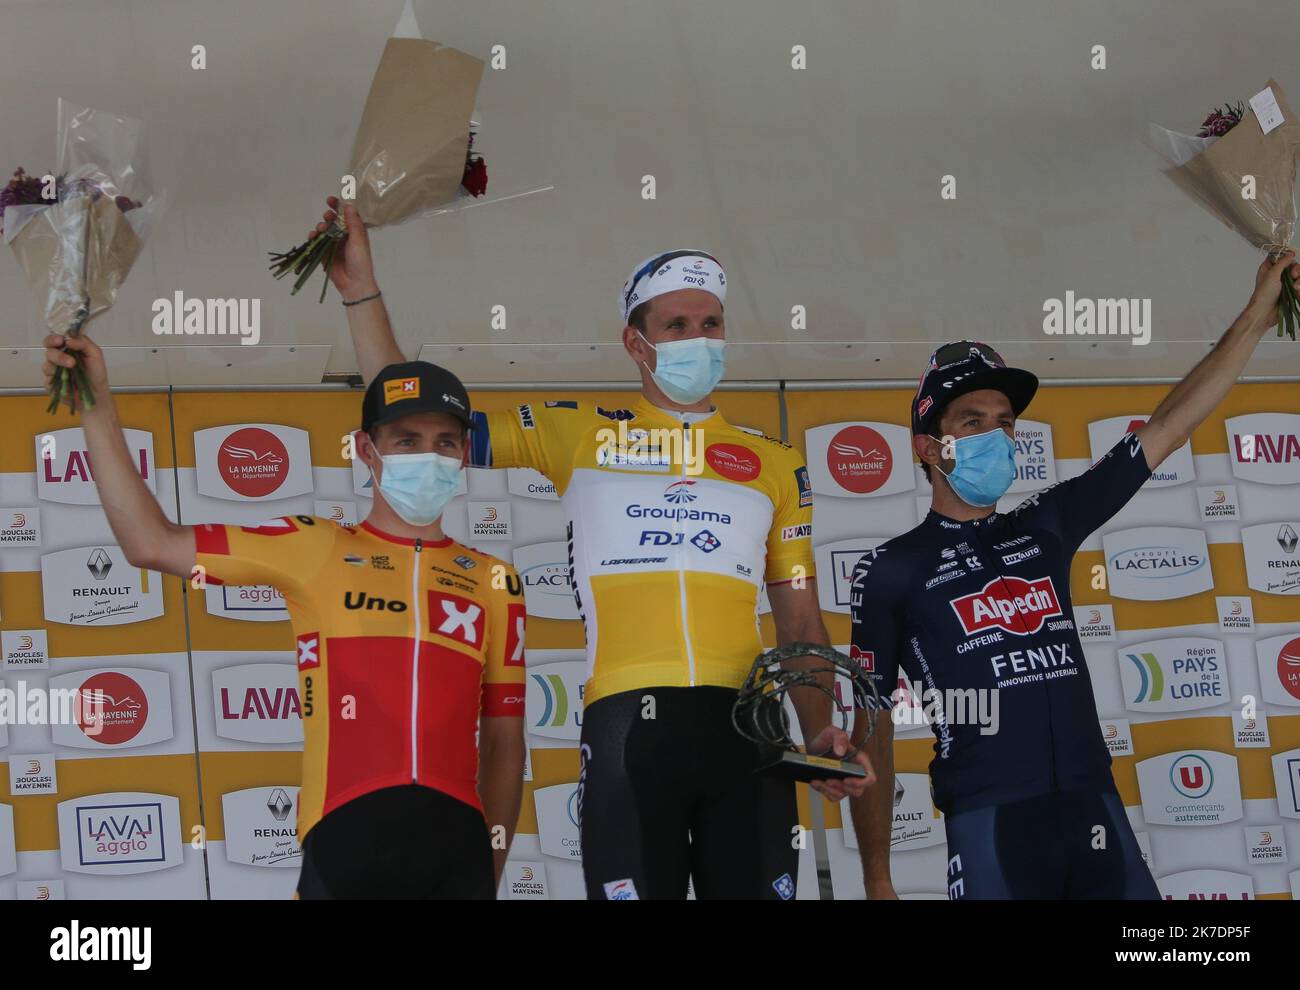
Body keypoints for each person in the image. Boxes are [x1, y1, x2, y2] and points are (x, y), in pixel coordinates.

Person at [313, 196, 873, 900]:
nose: (697, 340)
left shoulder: (773, 460)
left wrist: (820, 731)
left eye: (710, 324)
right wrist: (361, 290)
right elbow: (407, 406)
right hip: (628, 730)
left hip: (748, 730)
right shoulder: (580, 433)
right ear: (636, 343)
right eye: (676, 326)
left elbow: (799, 624)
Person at [847, 250, 1300, 900]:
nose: (994, 436)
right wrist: (878, 881)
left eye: (1004, 423)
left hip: (1094, 807)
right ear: (928, 447)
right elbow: (870, 721)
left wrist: (1258, 314)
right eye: (971, 423)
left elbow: (1169, 425)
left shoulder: (1045, 525)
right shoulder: (891, 569)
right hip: (990, 821)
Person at [42, 335, 527, 899]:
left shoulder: (495, 580)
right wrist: (96, 400)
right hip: (345, 834)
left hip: (457, 847)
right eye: (406, 440)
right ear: (366, 450)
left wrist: (489, 867)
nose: (429, 456)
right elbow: (151, 543)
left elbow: (503, 743)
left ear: (464, 453)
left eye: (445, 442)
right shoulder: (314, 544)